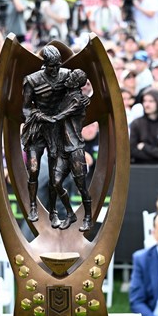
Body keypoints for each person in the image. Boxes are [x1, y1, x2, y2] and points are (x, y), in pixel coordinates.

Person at [21, 45, 69, 224]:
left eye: (57, 66)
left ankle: (53, 211)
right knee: (34, 169)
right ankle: (33, 205)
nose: (55, 70)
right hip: (38, 129)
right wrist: (39, 117)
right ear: (44, 65)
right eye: (51, 66)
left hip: (56, 129)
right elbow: (26, 108)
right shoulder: (32, 80)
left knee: (54, 174)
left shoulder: (66, 75)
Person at [50, 68, 93, 231]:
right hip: (63, 149)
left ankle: (88, 217)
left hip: (75, 148)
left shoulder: (79, 101)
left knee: (81, 186)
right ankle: (70, 213)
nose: (67, 79)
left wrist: (49, 117)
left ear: (76, 83)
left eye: (72, 77)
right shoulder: (65, 96)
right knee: (56, 182)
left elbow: (61, 115)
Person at [129, 88, 158, 167]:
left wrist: (144, 147)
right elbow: (132, 151)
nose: (146, 104)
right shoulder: (136, 123)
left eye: (151, 101)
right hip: (139, 167)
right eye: (144, 101)